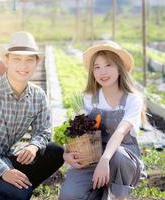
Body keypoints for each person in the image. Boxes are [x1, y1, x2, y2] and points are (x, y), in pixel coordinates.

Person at [0, 31, 64, 200]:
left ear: (37, 62)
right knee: (20, 193)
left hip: (5, 156)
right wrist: (4, 171)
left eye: (29, 59)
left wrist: (33, 147)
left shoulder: (37, 96)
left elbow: (44, 131)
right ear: (6, 60)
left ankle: (4, 191)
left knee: (56, 151)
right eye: (17, 59)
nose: (24, 66)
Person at [59, 41, 146, 200]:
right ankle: (98, 192)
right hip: (92, 156)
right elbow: (78, 133)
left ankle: (118, 196)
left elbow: (120, 132)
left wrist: (104, 160)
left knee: (117, 155)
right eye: (97, 67)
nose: (102, 72)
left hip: (122, 159)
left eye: (108, 65)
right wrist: (66, 153)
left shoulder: (132, 100)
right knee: (69, 195)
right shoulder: (89, 98)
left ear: (120, 68)